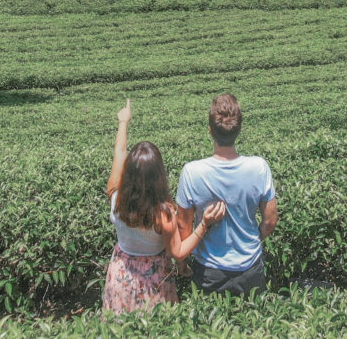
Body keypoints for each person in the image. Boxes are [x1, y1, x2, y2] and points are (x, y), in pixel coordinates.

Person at [103, 99, 226, 315]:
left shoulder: (117, 201)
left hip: (122, 273)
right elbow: (177, 253)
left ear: (129, 173)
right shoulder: (164, 214)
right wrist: (204, 224)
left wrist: (123, 122)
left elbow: (119, 153)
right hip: (154, 279)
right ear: (159, 176)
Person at [175, 93, 278, 295]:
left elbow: (183, 228)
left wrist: (182, 265)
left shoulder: (192, 172)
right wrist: (251, 242)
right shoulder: (259, 167)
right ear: (239, 129)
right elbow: (270, 221)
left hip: (208, 270)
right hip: (250, 267)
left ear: (210, 130)